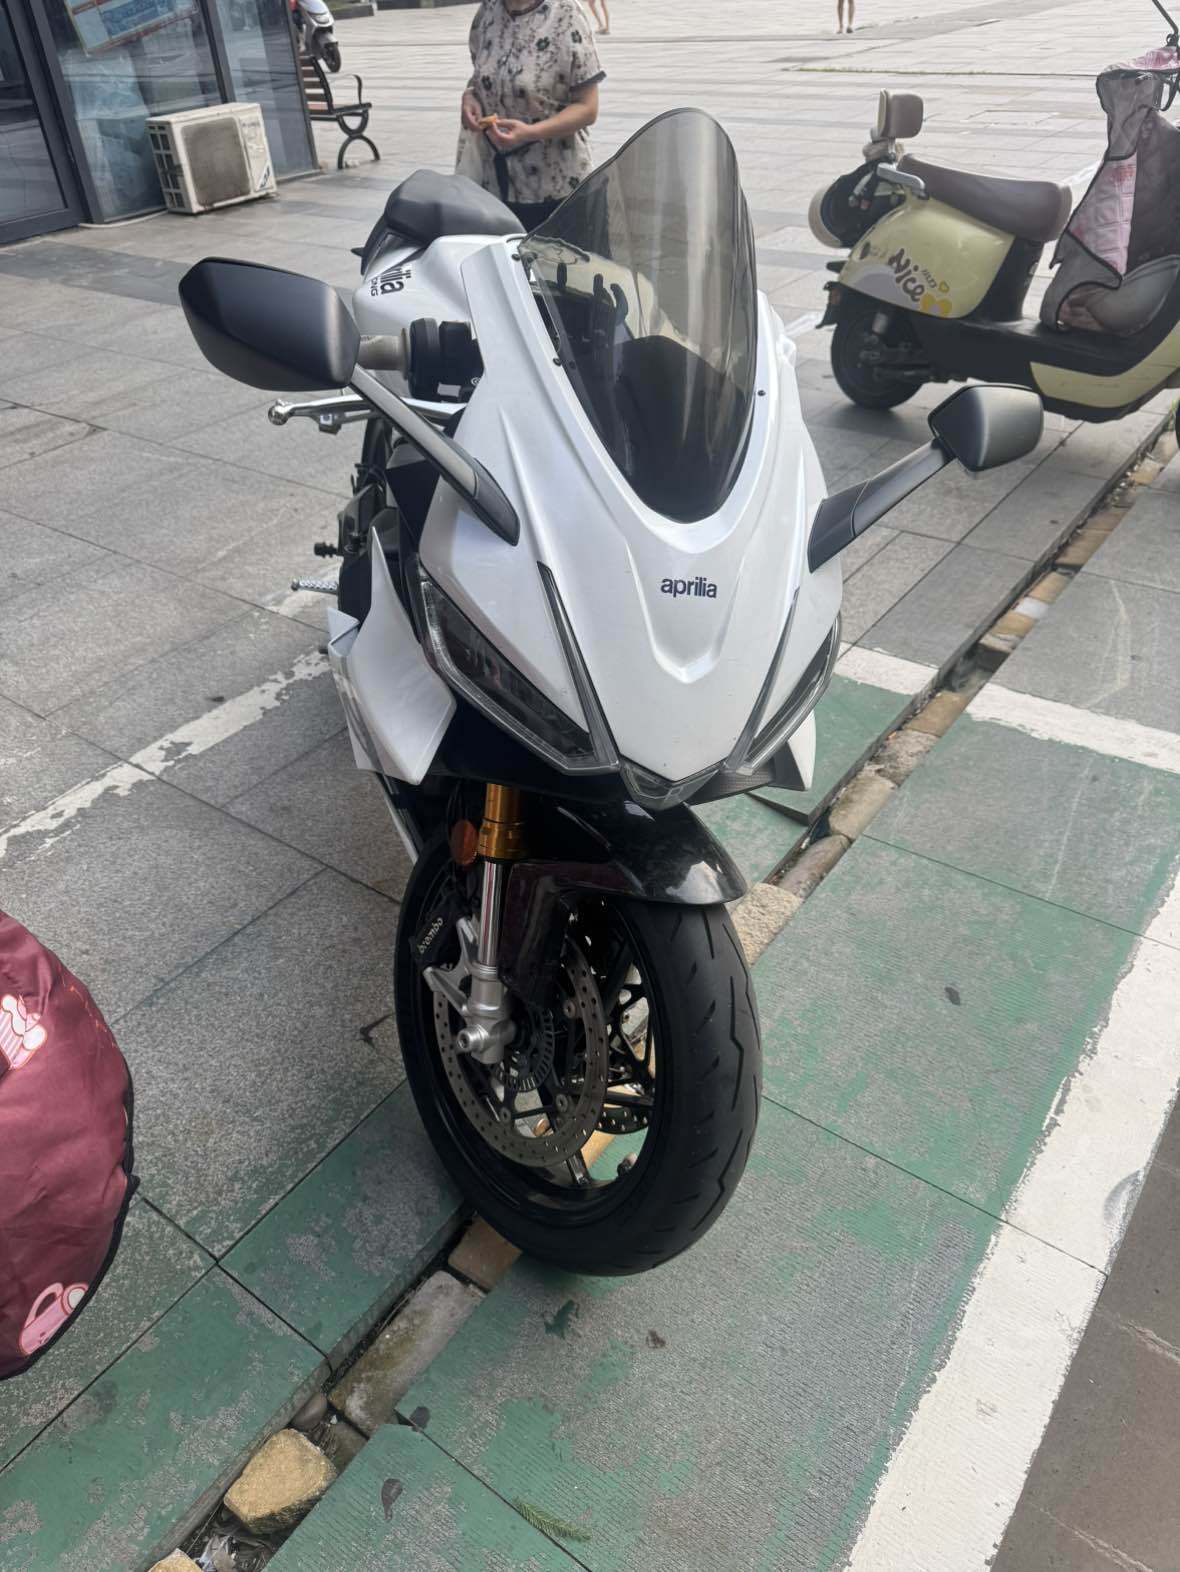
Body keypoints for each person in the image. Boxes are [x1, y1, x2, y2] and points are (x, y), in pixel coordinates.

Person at [458, 0, 605, 230]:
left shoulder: (567, 14)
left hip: (556, 191)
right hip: (495, 190)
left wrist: (531, 132)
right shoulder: (488, 10)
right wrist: (470, 96)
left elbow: (587, 108)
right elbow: (482, 76)